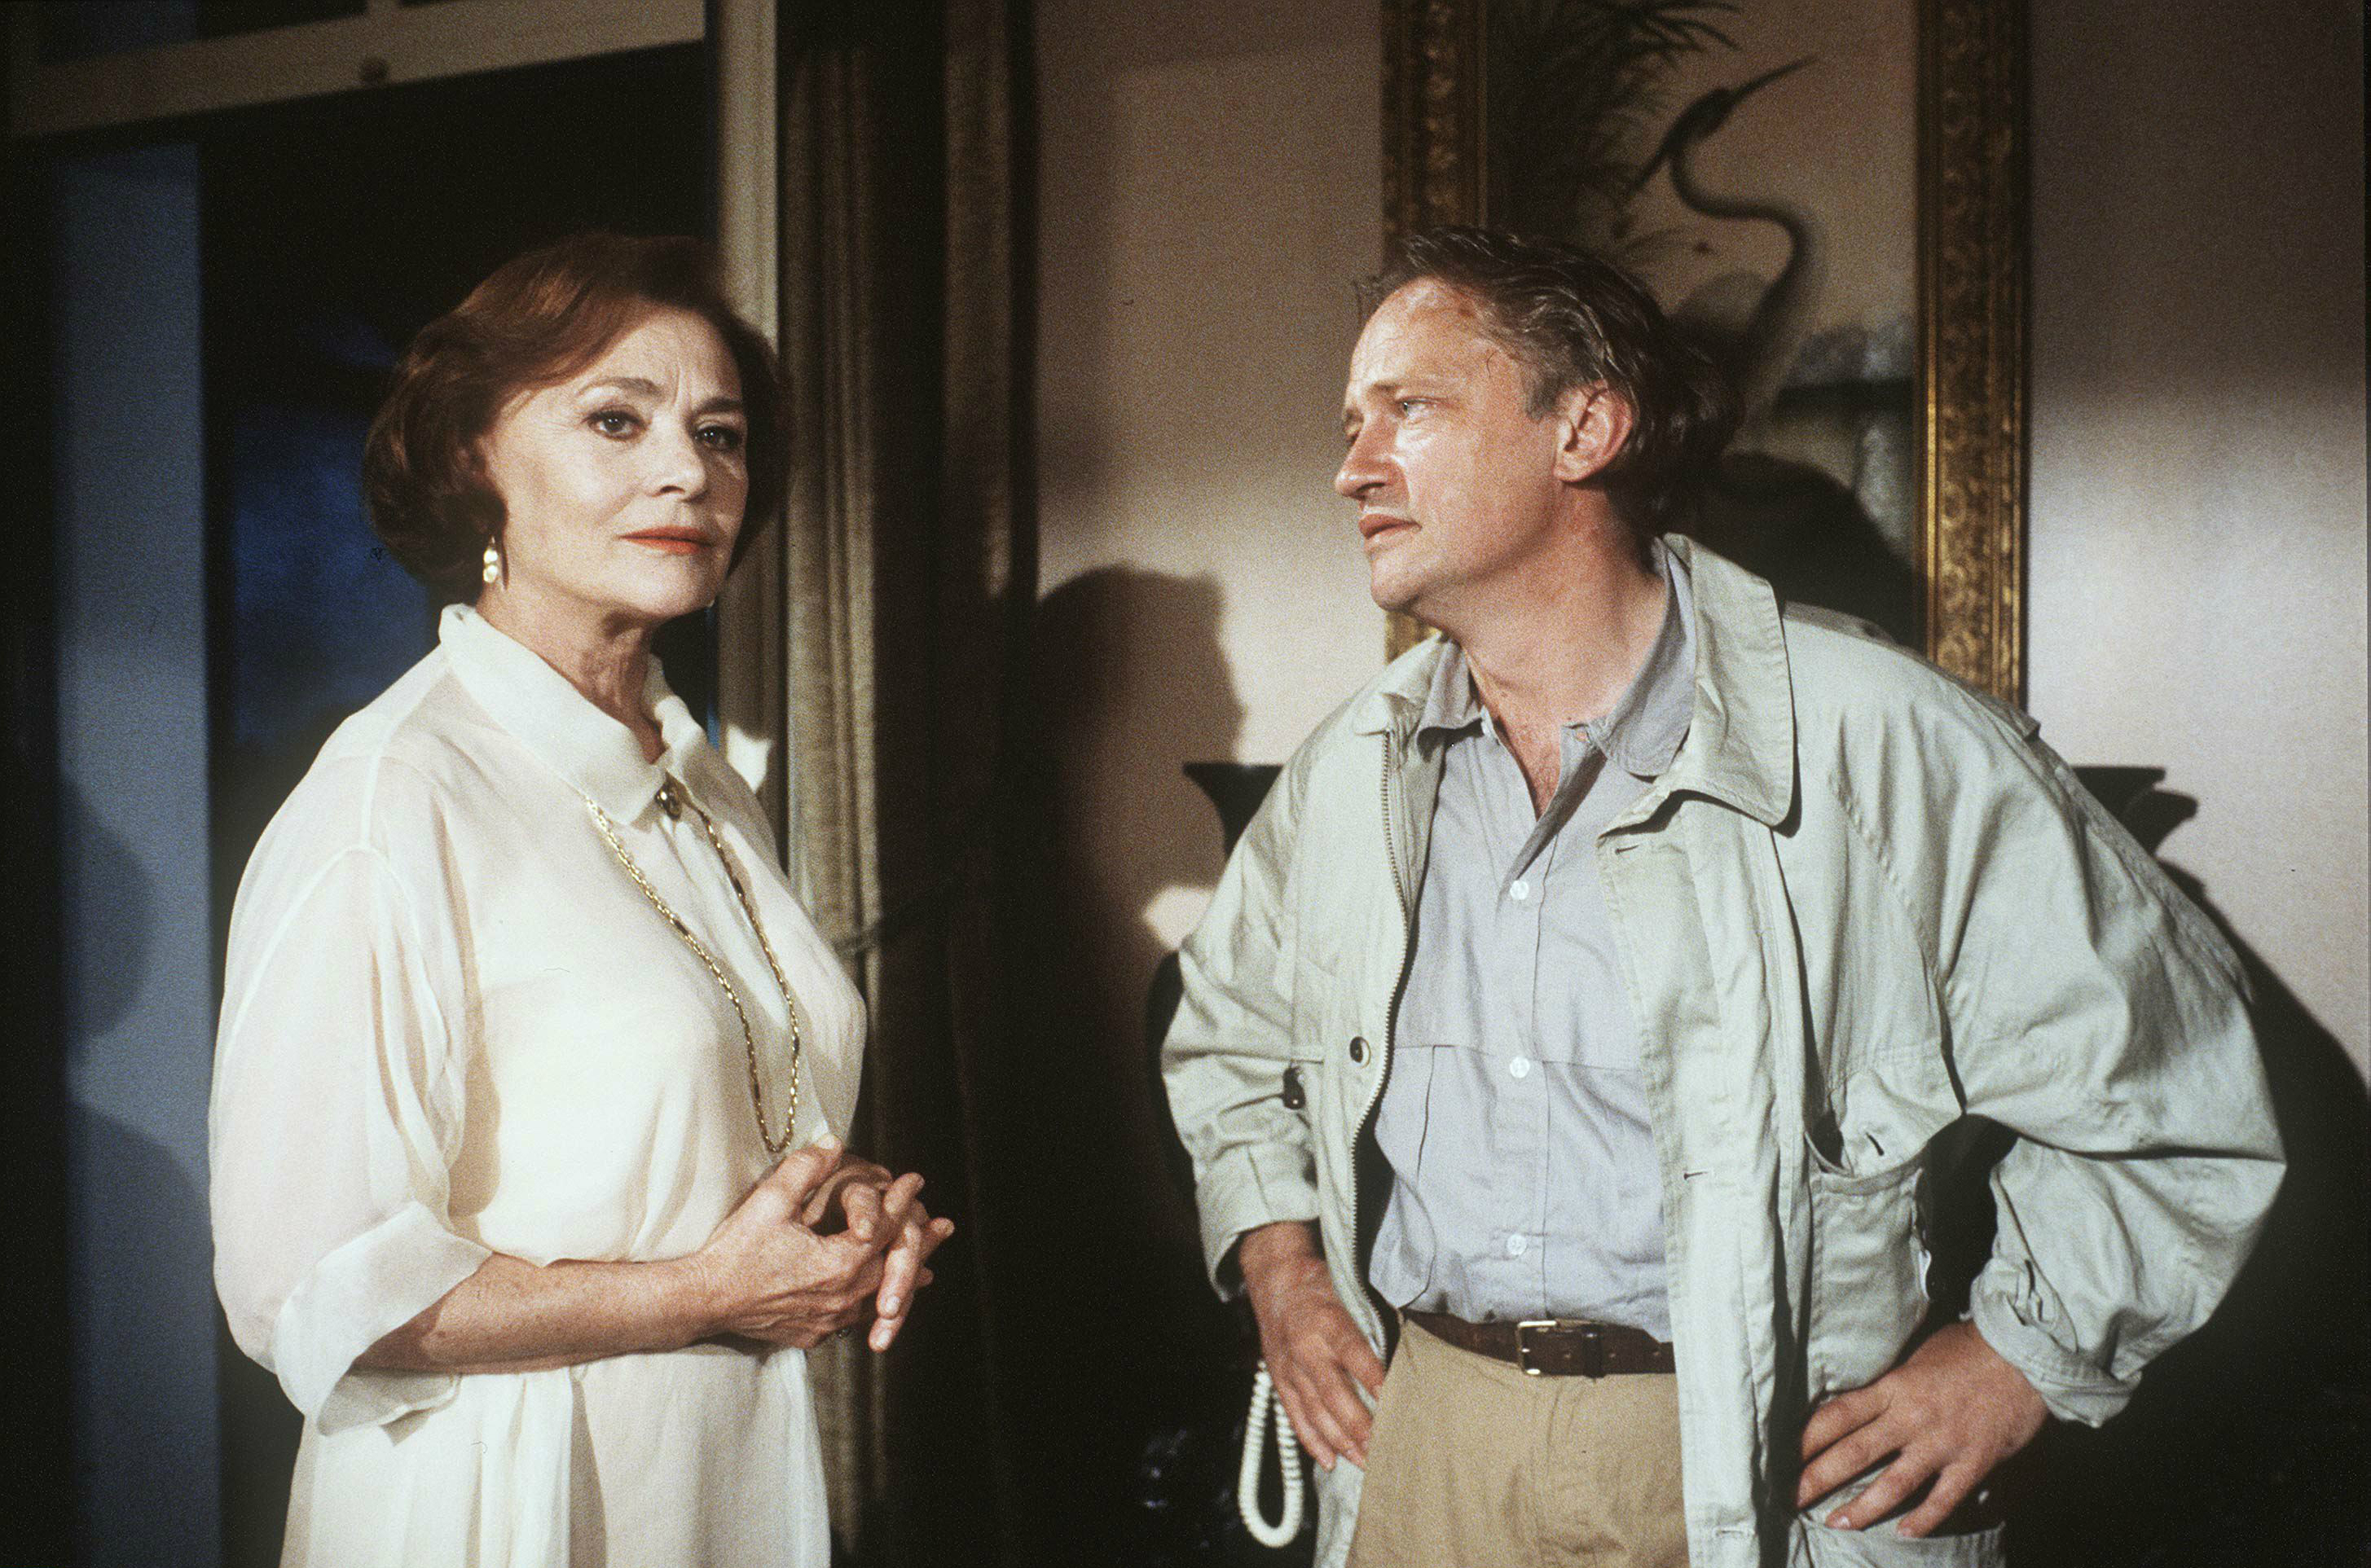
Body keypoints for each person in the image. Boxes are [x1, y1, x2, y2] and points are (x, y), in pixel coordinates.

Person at [1159, 226, 2282, 1568]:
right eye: (1352, 423)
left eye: (1410, 408)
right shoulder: (1349, 768)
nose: (1352, 467)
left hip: (1752, 1459)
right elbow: (1225, 1041)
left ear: (1584, 428)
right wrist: (1280, 1266)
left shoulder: (1882, 742)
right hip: (1429, 1442)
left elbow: (2176, 1094)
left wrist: (2015, 1357)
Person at [210, 233, 952, 1566]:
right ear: (472, 460)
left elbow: (680, 1128)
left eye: (719, 435)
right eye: (617, 420)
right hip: (504, 1498)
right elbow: (311, 1291)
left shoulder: (705, 787)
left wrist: (836, 1207)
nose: (688, 472)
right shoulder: (394, 799)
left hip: (710, 1479)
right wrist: (705, 1292)